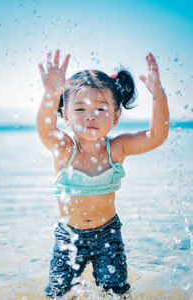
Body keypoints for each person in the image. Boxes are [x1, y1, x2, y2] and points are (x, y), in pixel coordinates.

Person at [37, 49, 169, 298]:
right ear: (64, 115)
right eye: (79, 109)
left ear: (116, 115)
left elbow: (156, 136)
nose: (90, 116)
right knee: (58, 294)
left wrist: (158, 94)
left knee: (116, 293)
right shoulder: (66, 149)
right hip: (69, 237)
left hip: (107, 235)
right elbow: (45, 130)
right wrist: (50, 94)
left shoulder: (116, 149)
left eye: (101, 108)